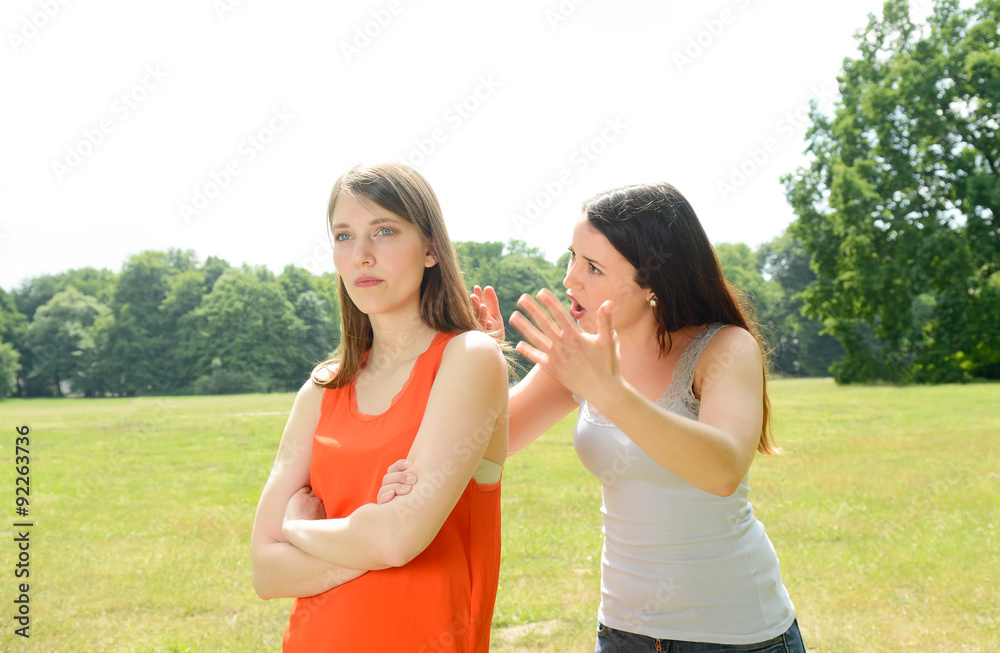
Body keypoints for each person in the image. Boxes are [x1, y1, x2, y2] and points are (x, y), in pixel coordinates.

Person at [380, 182, 806, 652]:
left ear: (652, 282)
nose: (570, 280)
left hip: (737, 635)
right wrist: (484, 367)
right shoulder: (579, 358)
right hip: (624, 633)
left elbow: (723, 469)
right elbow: (496, 439)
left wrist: (607, 389)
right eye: (572, 259)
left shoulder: (724, 349)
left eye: (594, 267)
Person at [250, 162, 509, 652]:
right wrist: (367, 534)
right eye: (344, 236)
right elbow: (266, 571)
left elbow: (396, 541)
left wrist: (299, 527)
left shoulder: (469, 359)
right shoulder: (322, 390)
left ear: (431, 248)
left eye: (384, 231)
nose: (361, 255)